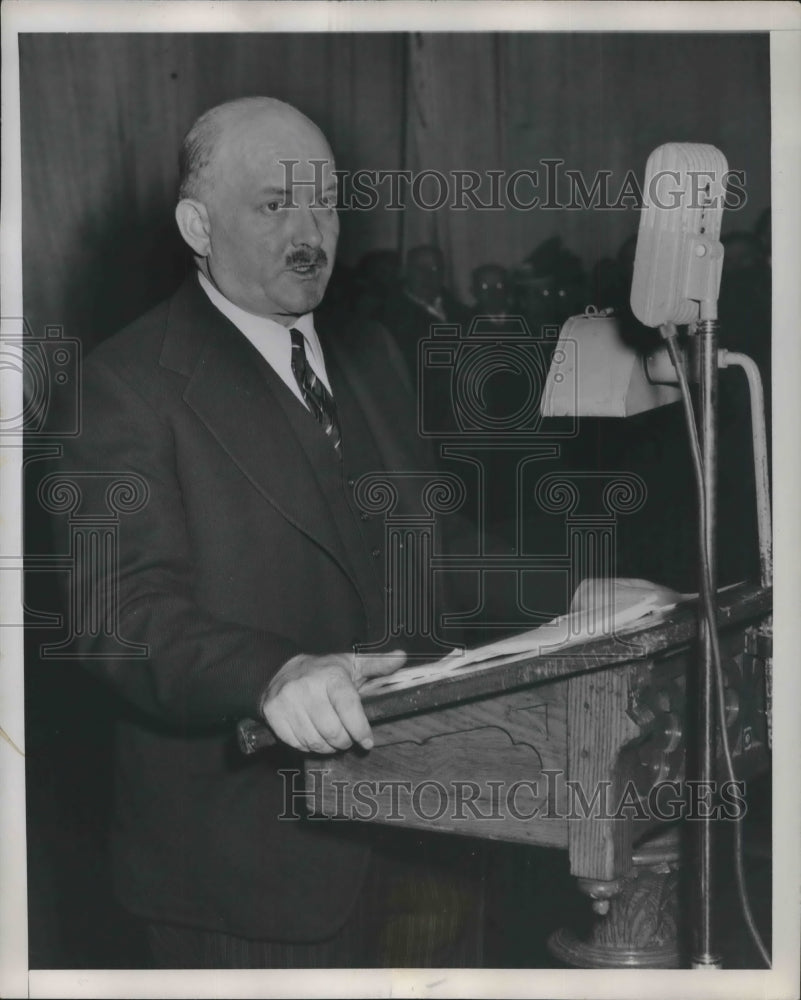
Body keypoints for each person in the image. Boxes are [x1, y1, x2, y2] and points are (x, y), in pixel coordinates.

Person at [56, 96, 484, 969]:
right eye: (274, 204)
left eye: (324, 202)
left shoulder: (370, 357)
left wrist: (590, 597)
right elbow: (119, 611)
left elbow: (431, 555)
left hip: (426, 843)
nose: (310, 231)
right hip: (248, 881)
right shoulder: (124, 385)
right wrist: (271, 674)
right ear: (196, 225)